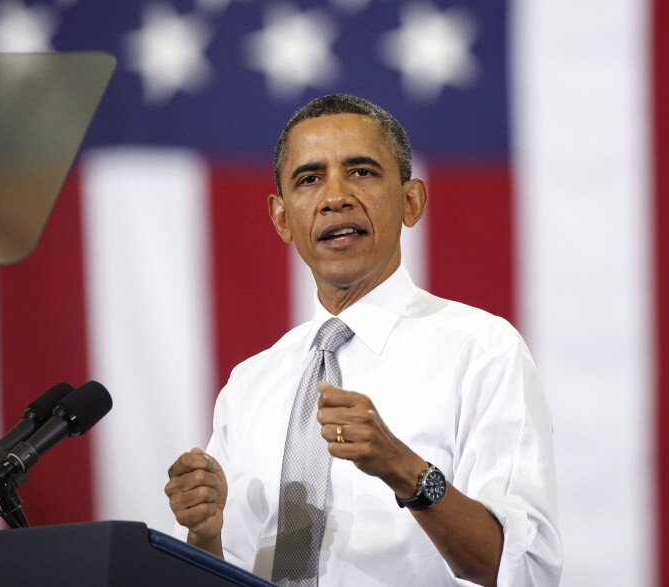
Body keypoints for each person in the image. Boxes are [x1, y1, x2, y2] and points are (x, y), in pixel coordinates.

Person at [165, 94, 561, 587]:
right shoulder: (249, 384)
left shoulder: (482, 352)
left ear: (411, 201)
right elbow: (229, 571)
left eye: (361, 172)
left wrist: (403, 468)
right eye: (310, 179)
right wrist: (204, 536)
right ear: (282, 217)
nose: (335, 197)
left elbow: (522, 571)